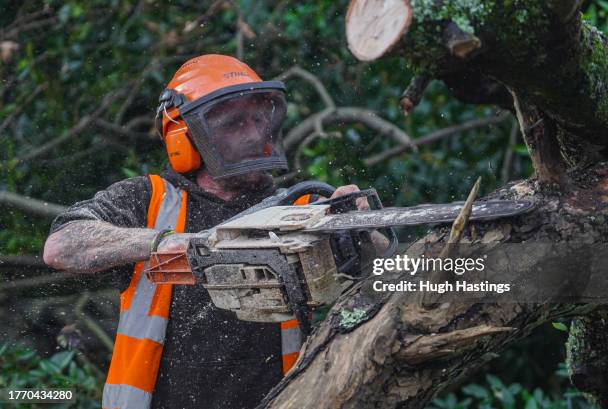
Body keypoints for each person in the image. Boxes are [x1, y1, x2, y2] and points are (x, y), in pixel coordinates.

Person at [43, 54, 369, 409]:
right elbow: (61, 246)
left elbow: (378, 269)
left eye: (258, 119)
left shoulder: (297, 207)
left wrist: (359, 226)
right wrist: (164, 242)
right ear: (184, 137)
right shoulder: (149, 201)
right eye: (234, 123)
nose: (254, 133)